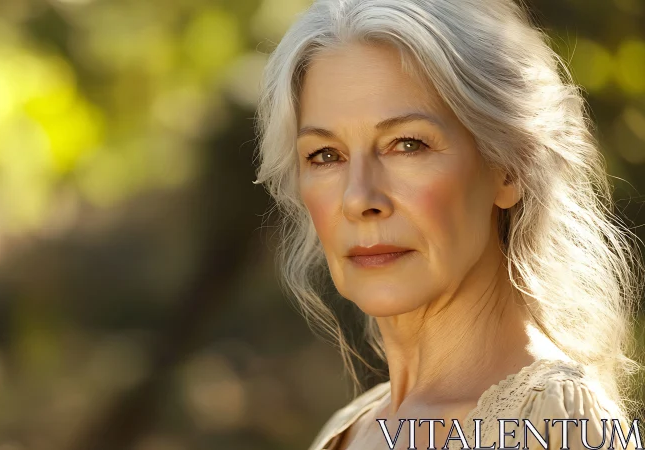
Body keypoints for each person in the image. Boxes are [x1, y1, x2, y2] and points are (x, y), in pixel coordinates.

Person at [252, 0, 644, 449]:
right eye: (325, 155)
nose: (359, 198)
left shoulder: (554, 420)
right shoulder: (351, 428)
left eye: (407, 144)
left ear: (509, 168)